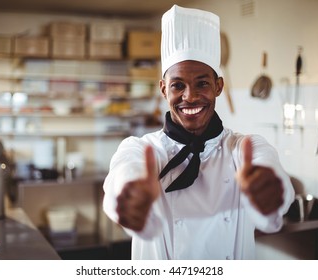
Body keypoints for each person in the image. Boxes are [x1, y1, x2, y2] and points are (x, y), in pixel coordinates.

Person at [102, 4, 294, 260]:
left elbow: (274, 180)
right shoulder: (141, 150)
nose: (189, 97)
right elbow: (122, 176)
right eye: (177, 85)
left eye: (202, 83)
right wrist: (129, 193)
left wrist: (271, 195)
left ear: (218, 86)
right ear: (163, 90)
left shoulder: (245, 149)